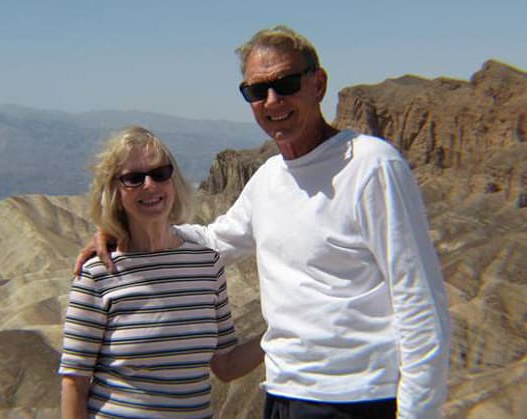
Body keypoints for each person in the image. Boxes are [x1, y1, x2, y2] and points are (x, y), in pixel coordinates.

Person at [76, 26, 451, 419]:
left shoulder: (371, 165)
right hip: (283, 394)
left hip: (357, 398)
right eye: (256, 91)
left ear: (318, 83)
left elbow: (419, 303)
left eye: (286, 83)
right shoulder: (270, 177)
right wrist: (125, 228)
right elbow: (213, 242)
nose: (272, 101)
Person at [61, 125, 263, 419]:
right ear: (114, 192)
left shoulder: (207, 265)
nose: (149, 185)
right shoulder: (97, 274)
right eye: (133, 178)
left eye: (159, 173)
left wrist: (282, 331)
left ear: (174, 180)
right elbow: (74, 383)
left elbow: (226, 366)